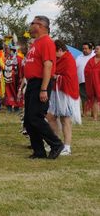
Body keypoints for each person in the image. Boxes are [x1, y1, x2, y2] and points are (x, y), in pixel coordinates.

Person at [23, 16, 64, 159]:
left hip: (40, 83)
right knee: (28, 119)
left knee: (36, 117)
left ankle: (56, 144)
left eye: (32, 23)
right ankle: (39, 151)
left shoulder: (46, 42)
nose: (30, 25)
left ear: (40, 25)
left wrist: (43, 89)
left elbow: (48, 65)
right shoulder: (36, 42)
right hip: (32, 83)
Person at [47, 40, 81, 156]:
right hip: (55, 92)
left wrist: (57, 77)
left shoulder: (69, 59)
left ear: (60, 50)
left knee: (65, 119)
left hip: (66, 93)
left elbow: (70, 78)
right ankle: (55, 143)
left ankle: (67, 147)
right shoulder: (58, 59)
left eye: (54, 52)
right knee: (51, 116)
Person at [76, 42, 95, 117]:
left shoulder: (94, 56)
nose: (84, 50)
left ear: (91, 49)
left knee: (93, 98)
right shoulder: (79, 57)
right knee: (84, 98)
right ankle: (85, 113)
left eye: (86, 48)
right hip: (81, 81)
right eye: (83, 48)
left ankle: (94, 113)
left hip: (92, 81)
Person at [84, 43, 100, 121]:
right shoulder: (91, 60)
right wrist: (92, 73)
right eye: (95, 49)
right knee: (95, 100)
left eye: (97, 49)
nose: (95, 50)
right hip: (92, 84)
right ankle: (95, 117)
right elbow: (86, 70)